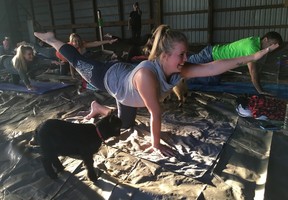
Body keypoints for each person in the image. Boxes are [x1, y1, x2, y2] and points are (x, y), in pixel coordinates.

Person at [34, 25, 278, 156]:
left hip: (128, 85)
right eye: (181, 54)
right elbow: (155, 113)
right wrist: (156, 143)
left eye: (186, 53)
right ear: (164, 55)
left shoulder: (178, 67)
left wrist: (252, 56)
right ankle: (53, 40)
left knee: (125, 126)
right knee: (77, 60)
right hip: (108, 77)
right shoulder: (147, 76)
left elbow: (213, 67)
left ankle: (98, 108)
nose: (186, 58)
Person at [187, 32, 283, 95]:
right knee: (186, 67)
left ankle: (189, 79)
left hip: (218, 63)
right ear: (265, 39)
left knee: (213, 81)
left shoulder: (256, 41)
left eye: (273, 47)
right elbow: (253, 72)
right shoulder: (252, 47)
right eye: (271, 45)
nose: (270, 49)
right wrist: (260, 90)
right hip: (211, 55)